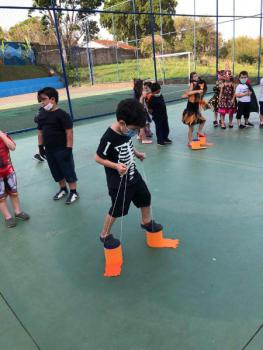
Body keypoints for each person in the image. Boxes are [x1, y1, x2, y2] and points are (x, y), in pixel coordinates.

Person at [95, 98, 163, 248]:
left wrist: (137, 153)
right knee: (117, 208)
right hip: (118, 180)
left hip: (132, 173)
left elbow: (128, 144)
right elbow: (98, 158)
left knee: (145, 196)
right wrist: (115, 166)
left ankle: (145, 221)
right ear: (122, 123)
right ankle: (104, 234)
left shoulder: (125, 133)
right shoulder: (108, 138)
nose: (135, 132)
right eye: (134, 129)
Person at [37, 87, 79, 204]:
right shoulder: (42, 115)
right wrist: (40, 147)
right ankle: (63, 189)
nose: (42, 103)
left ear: (53, 99)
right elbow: (40, 132)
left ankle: (74, 191)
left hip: (62, 149)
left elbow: (69, 132)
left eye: (44, 99)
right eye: (40, 100)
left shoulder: (63, 115)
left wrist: (69, 149)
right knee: (55, 171)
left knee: (68, 170)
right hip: (49, 150)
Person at [0, 130, 30, 228]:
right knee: (1, 198)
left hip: (8, 171)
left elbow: (12, 147)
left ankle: (18, 212)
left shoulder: (3, 135)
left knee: (14, 193)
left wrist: (2, 136)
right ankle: (8, 217)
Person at [182, 72, 206, 147]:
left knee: (203, 120)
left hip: (196, 109)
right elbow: (189, 92)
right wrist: (197, 91)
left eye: (196, 75)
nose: (196, 77)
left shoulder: (199, 84)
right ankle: (189, 142)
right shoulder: (192, 84)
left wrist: (201, 93)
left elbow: (200, 96)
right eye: (194, 76)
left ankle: (199, 132)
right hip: (190, 110)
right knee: (191, 128)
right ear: (192, 78)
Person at [146, 82, 172, 146]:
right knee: (159, 128)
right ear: (153, 92)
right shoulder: (151, 99)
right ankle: (160, 141)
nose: (158, 92)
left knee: (166, 128)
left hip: (164, 115)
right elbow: (150, 110)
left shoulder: (160, 95)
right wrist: (155, 114)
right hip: (157, 116)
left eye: (159, 91)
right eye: (156, 92)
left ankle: (165, 138)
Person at [133, 79, 152, 144]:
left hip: (137, 108)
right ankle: (144, 139)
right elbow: (141, 103)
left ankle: (139, 135)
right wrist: (142, 97)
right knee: (142, 124)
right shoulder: (140, 92)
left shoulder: (136, 90)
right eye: (142, 83)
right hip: (140, 109)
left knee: (139, 124)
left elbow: (149, 91)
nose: (143, 85)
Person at [33, 92, 46, 162]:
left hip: (46, 130)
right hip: (44, 129)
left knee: (45, 141)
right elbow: (35, 119)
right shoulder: (41, 110)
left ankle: (38, 154)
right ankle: (38, 154)